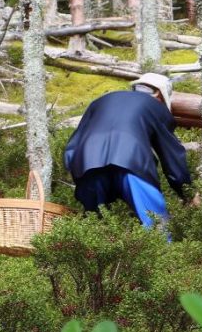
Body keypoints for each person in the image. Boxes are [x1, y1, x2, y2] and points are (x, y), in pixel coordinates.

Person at [64, 73, 193, 229]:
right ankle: (167, 252)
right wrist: (187, 193)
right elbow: (172, 156)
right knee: (156, 227)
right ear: (160, 94)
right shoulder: (157, 108)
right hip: (131, 165)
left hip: (86, 165)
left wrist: (76, 172)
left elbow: (72, 145)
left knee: (94, 229)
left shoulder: (100, 101)